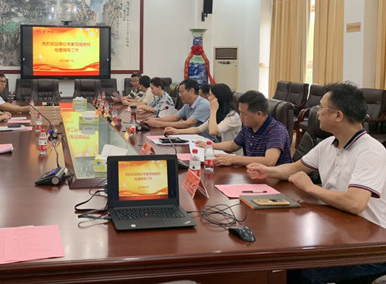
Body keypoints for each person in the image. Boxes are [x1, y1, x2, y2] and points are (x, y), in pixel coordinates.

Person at [247, 82, 386, 283]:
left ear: (338, 116)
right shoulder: (328, 144)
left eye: (321, 108)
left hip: (370, 246)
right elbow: (295, 168)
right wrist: (267, 170)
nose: (317, 112)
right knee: (286, 257)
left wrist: (311, 188)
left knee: (300, 271)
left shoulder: (370, 152)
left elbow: (355, 203)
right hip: (339, 229)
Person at [211, 90, 291, 166]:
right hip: (254, 171)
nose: (240, 117)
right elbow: (233, 145)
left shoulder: (276, 130)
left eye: (244, 114)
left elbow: (269, 161)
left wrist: (233, 159)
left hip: (276, 175)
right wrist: (210, 145)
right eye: (240, 112)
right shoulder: (249, 126)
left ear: (259, 114)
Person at [164, 83, 241, 142]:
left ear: (218, 99)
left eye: (210, 95)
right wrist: (176, 131)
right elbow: (198, 129)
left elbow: (213, 131)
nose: (208, 98)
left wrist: (213, 110)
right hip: (219, 150)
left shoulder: (232, 117)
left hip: (231, 154)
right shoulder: (219, 114)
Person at [144, 79, 210, 129]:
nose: (179, 95)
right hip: (190, 135)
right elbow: (174, 118)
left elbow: (188, 123)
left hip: (203, 139)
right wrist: (152, 120)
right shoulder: (187, 104)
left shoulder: (203, 104)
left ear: (191, 91)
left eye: (181, 92)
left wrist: (160, 124)